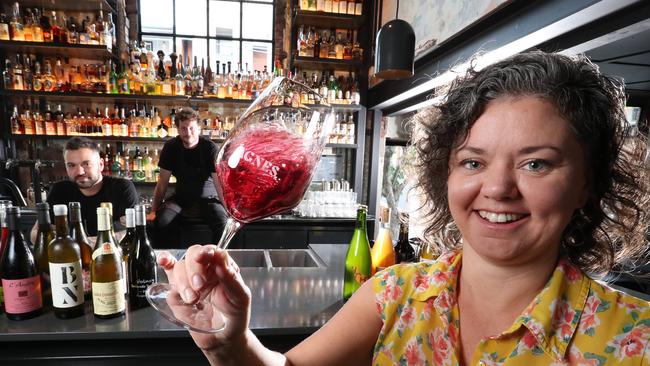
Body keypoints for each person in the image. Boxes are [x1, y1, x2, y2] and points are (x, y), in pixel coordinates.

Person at [159, 51, 650, 365]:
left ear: (588, 183)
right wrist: (230, 342)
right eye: (473, 161)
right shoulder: (395, 294)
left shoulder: (635, 339)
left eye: (536, 164)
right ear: (446, 175)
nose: (498, 188)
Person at [33, 137, 138, 239]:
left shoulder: (121, 188)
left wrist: (88, 242)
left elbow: (133, 232)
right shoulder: (60, 189)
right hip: (73, 256)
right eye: (71, 165)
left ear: (101, 165)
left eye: (86, 164)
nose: (79, 172)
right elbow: (35, 233)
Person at [151, 108, 227, 245]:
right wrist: (154, 210)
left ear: (198, 128)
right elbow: (162, 183)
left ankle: (218, 259)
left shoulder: (210, 148)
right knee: (162, 221)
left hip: (209, 199)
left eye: (191, 128)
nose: (188, 133)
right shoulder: (171, 147)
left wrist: (228, 209)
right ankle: (172, 261)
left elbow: (219, 183)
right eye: (183, 128)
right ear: (178, 130)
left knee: (222, 222)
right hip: (181, 199)